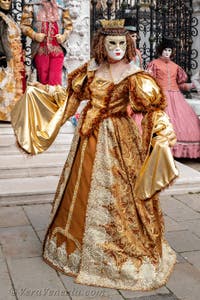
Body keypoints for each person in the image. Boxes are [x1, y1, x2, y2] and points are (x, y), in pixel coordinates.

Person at [11, 19, 178, 291]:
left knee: (124, 197)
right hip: (87, 139)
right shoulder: (89, 72)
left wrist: (161, 132)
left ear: (129, 45)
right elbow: (69, 102)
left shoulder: (135, 76)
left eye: (122, 43)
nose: (117, 48)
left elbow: (154, 111)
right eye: (112, 43)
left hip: (120, 140)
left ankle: (116, 252)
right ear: (101, 44)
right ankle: (75, 249)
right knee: (81, 186)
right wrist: (41, 102)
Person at [146, 38, 200, 158]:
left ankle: (179, 151)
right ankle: (162, 150)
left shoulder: (175, 66)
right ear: (161, 50)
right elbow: (149, 82)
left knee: (185, 122)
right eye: (165, 50)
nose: (167, 52)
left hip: (176, 97)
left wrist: (193, 85)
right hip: (161, 96)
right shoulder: (154, 64)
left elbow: (180, 84)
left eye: (169, 50)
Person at [20, 0, 72, 85]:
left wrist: (63, 37)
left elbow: (68, 27)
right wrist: (34, 35)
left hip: (57, 50)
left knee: (55, 82)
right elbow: (24, 25)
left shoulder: (61, 6)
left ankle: (55, 98)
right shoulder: (32, 5)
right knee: (43, 82)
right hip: (40, 50)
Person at [0, 0, 26, 121]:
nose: (7, 2)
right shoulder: (0, 17)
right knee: (6, 84)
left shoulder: (9, 16)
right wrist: (1, 54)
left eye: (9, 0)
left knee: (15, 84)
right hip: (7, 55)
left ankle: (13, 113)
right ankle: (4, 114)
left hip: (15, 56)